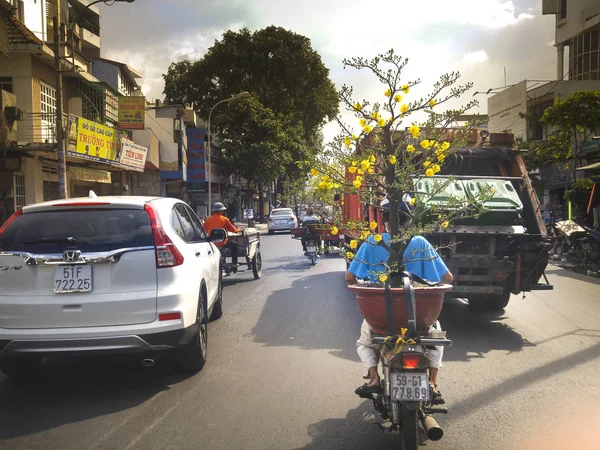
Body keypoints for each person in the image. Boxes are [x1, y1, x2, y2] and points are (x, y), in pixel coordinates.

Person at [345, 198, 453, 403]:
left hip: (381, 319)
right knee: (435, 337)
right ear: (409, 218)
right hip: (419, 319)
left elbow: (349, 278)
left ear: (383, 217)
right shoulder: (420, 243)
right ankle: (432, 383)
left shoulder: (373, 241)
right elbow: (448, 279)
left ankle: (374, 378)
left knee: (365, 342)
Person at [203, 202, 242, 266]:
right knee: (234, 245)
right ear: (221, 211)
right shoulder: (224, 219)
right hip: (223, 242)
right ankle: (234, 263)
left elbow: (204, 229)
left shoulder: (208, 219)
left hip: (212, 243)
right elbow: (232, 229)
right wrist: (238, 230)